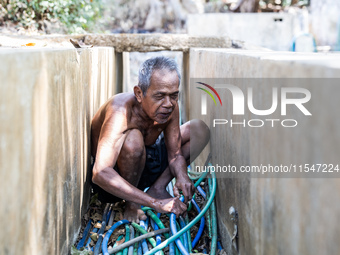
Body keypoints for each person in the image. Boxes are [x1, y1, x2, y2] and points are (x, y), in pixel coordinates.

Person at [90, 56, 210, 222]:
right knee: (133, 140)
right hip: (114, 182)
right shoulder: (120, 111)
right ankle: (131, 204)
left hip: (148, 163)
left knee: (199, 128)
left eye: (174, 95)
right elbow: (100, 173)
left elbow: (175, 154)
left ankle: (158, 188)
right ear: (139, 94)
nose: (168, 103)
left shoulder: (169, 107)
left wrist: (182, 175)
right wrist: (155, 204)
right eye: (160, 96)